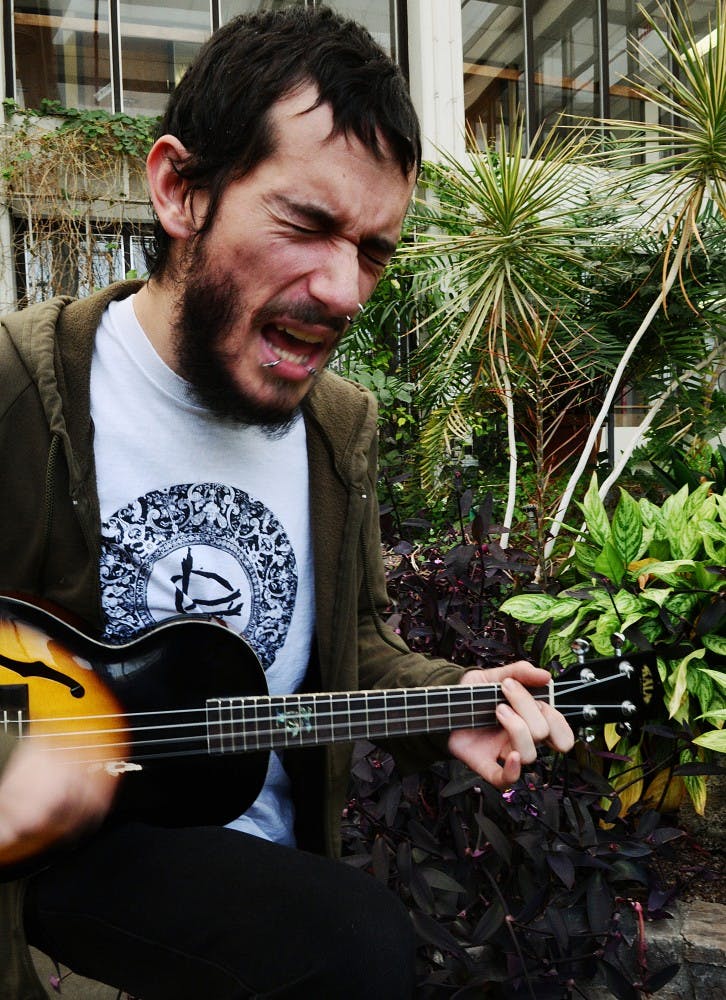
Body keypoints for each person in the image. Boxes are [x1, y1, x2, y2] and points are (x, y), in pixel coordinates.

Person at [0, 7, 574, 998]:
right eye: (308, 225)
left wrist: (450, 703)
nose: (347, 288)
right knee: (355, 942)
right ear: (181, 189)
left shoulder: (337, 427)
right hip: (57, 888)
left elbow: (357, 639)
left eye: (375, 249)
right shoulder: (21, 382)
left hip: (263, 895)